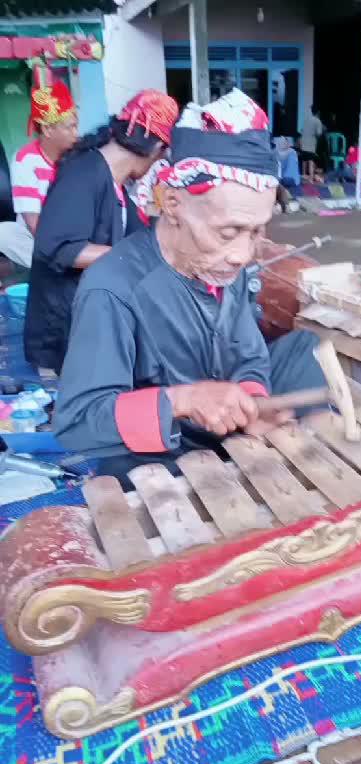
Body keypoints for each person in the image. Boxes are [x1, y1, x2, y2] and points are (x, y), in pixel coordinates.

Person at [53, 88, 328, 490]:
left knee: (306, 346)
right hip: (167, 453)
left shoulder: (223, 266)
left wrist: (253, 400)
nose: (241, 254)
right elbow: (78, 424)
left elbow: (248, 351)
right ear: (173, 205)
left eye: (255, 232)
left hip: (225, 429)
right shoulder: (113, 287)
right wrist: (184, 400)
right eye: (228, 232)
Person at [24, 89, 179, 376]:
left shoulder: (114, 184)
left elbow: (144, 237)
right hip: (62, 334)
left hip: (89, 323)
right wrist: (130, 257)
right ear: (155, 149)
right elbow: (57, 248)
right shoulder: (84, 175)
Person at [0, 79, 77, 269]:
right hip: (42, 238)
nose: (76, 133)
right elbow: (33, 223)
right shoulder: (25, 160)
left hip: (76, 235)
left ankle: (64, 265)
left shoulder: (80, 156)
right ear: (48, 129)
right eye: (70, 127)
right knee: (4, 233)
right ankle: (59, 265)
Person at [276, 136, 302, 213]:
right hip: (295, 181)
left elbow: (279, 170)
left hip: (284, 180)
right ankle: (286, 206)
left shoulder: (276, 153)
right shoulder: (293, 152)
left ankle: (284, 206)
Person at [299, 106, 323, 178]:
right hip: (311, 144)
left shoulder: (307, 119)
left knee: (304, 160)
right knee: (311, 160)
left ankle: (303, 176)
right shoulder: (317, 121)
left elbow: (302, 130)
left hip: (303, 142)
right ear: (318, 113)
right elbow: (319, 134)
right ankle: (311, 177)